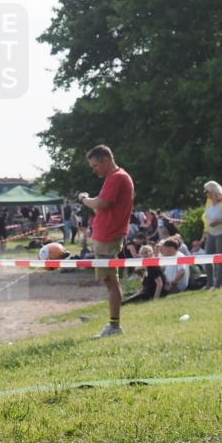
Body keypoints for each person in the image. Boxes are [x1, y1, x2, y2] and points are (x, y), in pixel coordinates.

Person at [77, 144, 135, 338]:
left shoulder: (117, 177)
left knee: (110, 281)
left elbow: (101, 204)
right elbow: (102, 207)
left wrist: (84, 199)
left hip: (108, 237)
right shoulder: (114, 178)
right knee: (109, 280)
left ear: (106, 160)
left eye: (95, 166)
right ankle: (113, 325)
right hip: (105, 235)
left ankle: (114, 326)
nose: (94, 170)